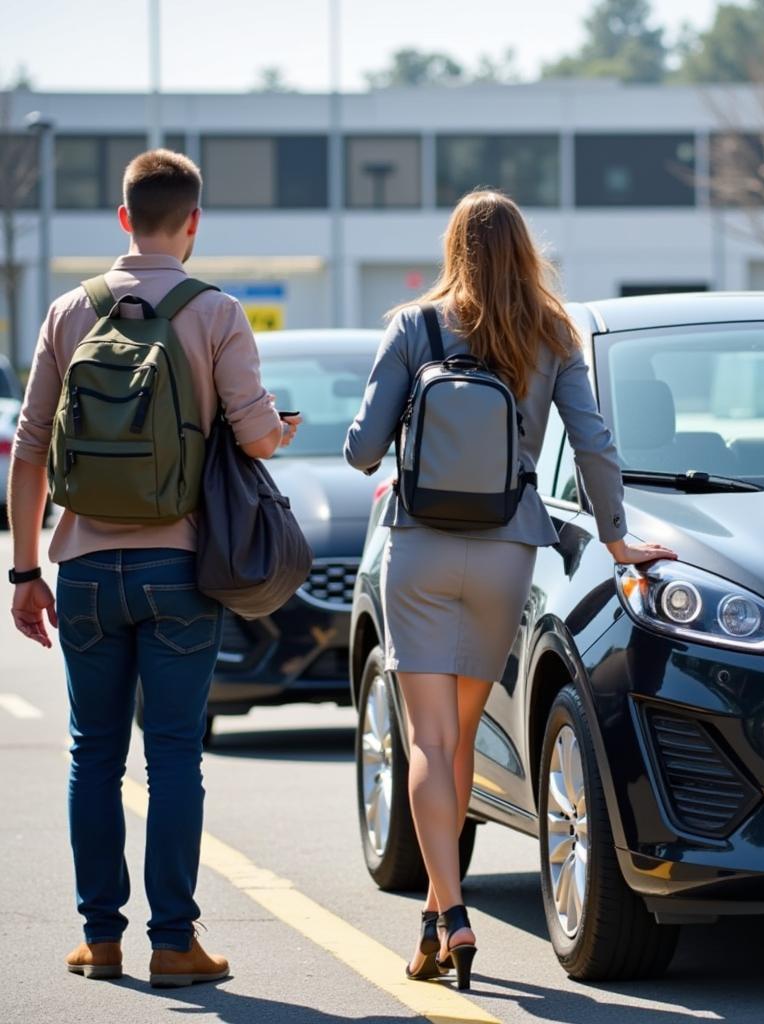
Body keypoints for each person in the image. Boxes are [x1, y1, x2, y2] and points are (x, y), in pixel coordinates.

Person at [345, 189, 676, 989]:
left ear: (454, 247)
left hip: (419, 549)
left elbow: (361, 451)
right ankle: (436, 915)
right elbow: (593, 443)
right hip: (505, 552)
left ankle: (452, 915)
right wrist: (617, 534)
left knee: (425, 744)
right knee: (458, 740)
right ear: (525, 249)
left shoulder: (412, 327)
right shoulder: (552, 332)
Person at [8, 149, 301, 986]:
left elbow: (29, 451)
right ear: (194, 222)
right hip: (180, 568)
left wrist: (26, 573)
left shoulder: (70, 309)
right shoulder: (215, 313)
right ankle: (174, 943)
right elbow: (251, 438)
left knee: (91, 755)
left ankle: (101, 939)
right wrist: (276, 431)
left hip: (88, 570)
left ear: (124, 217)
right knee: (173, 755)